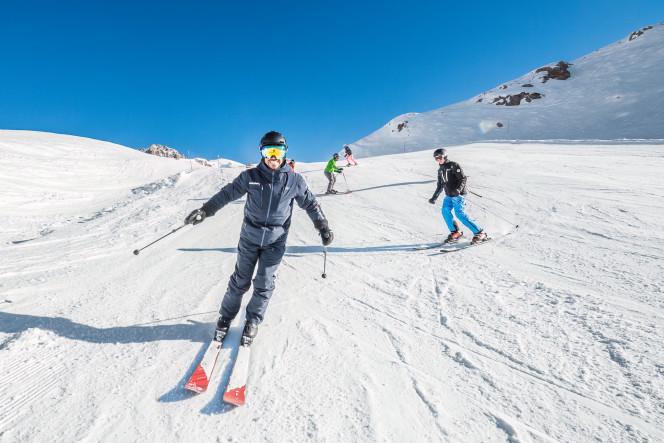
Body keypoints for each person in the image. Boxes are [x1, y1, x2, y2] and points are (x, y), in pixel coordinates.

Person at [185, 131, 334, 346]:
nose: (273, 157)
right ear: (262, 153)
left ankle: (252, 320)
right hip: (250, 238)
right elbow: (226, 194)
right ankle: (226, 317)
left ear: (285, 153)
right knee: (240, 281)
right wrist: (205, 210)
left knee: (264, 282)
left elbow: (311, 204)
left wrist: (322, 225)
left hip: (276, 240)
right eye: (268, 151)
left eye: (278, 151)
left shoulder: (294, 180)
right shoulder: (251, 177)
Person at [428, 148, 488, 245]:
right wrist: (434, 197)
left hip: (458, 195)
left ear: (444, 156)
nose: (438, 160)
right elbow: (440, 185)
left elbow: (463, 178)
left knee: (459, 213)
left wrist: (458, 190)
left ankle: (480, 232)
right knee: (445, 210)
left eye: (439, 157)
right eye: (436, 158)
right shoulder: (440, 170)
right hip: (448, 196)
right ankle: (456, 232)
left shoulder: (453, 165)